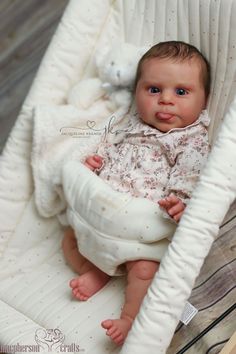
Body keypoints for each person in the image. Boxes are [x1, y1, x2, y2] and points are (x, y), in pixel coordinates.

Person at [62, 41, 211, 345]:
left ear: (204, 100)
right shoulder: (129, 123)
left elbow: (190, 177)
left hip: (138, 228)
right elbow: (107, 146)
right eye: (154, 89)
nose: (166, 100)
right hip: (102, 211)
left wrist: (179, 205)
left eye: (181, 92)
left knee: (144, 270)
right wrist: (95, 163)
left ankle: (130, 318)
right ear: (137, 92)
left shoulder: (191, 139)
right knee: (69, 239)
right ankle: (97, 269)